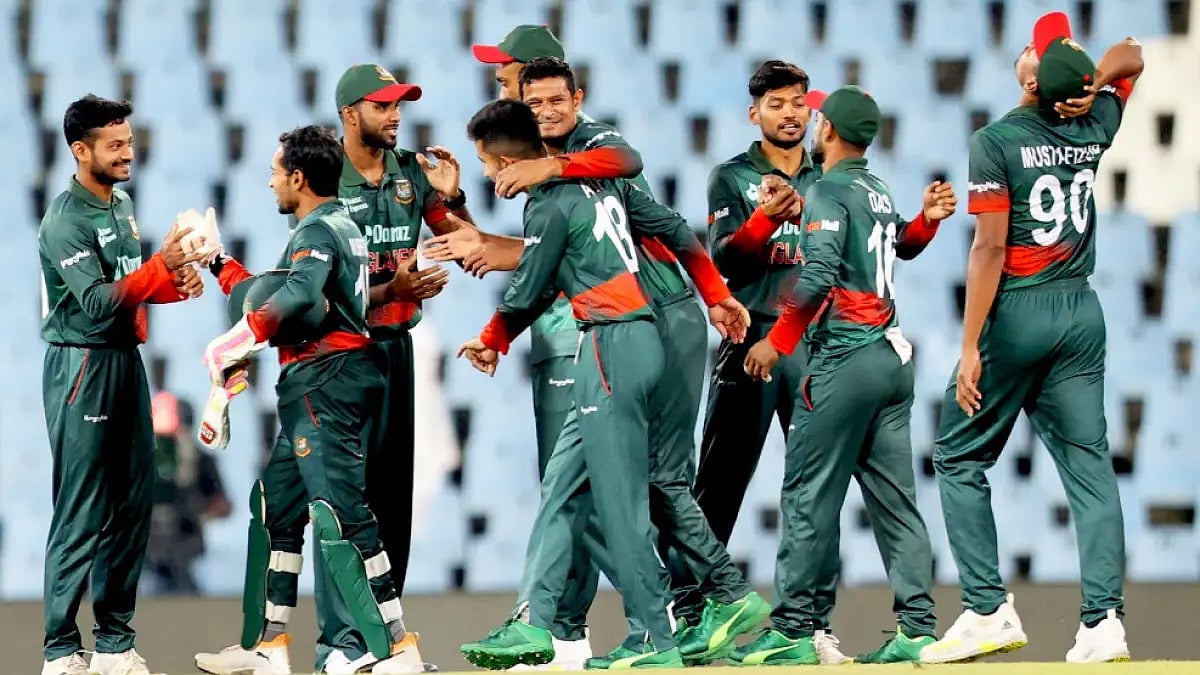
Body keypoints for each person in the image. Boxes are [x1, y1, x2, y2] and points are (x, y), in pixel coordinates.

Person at [433, 58, 766, 668]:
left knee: (622, 503)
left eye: (487, 165)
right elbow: (658, 223)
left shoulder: (575, 176)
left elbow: (532, 282)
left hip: (618, 339)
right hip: (620, 336)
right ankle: (532, 622)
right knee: (561, 487)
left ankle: (657, 637)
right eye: (531, 103)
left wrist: (490, 338)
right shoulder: (588, 187)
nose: (545, 110)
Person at [920, 13, 1143, 665]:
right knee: (1091, 469)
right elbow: (1133, 54)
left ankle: (987, 608)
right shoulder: (1095, 121)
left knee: (958, 455)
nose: (1027, 56)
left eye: (1036, 53)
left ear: (1035, 75)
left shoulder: (997, 141)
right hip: (1081, 313)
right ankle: (1104, 622)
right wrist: (1091, 81)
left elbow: (989, 248)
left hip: (1019, 310)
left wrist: (968, 346)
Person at [191, 125, 427, 675]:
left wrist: (239, 337)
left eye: (276, 173)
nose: (272, 182)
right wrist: (217, 261)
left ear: (298, 178)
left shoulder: (318, 232)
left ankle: (396, 646)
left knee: (341, 511)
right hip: (320, 382)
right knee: (276, 504)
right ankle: (266, 646)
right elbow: (278, 290)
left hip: (327, 381)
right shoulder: (335, 226)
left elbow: (296, 295)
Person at [738, 85, 957, 665]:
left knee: (809, 493)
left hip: (846, 357)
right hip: (892, 358)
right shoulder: (877, 189)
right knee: (895, 499)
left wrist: (775, 342)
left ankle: (791, 630)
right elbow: (897, 247)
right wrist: (927, 224)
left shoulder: (830, 190)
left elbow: (817, 278)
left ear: (827, 130)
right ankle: (918, 628)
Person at [38, 94, 205, 675]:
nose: (128, 153)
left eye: (129, 142)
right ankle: (61, 650)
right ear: (81, 151)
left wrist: (173, 284)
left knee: (133, 502)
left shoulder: (121, 204)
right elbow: (94, 300)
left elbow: (128, 286)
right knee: (81, 507)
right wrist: (159, 266)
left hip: (123, 361)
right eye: (115, 145)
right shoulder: (65, 220)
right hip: (80, 366)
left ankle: (113, 644)